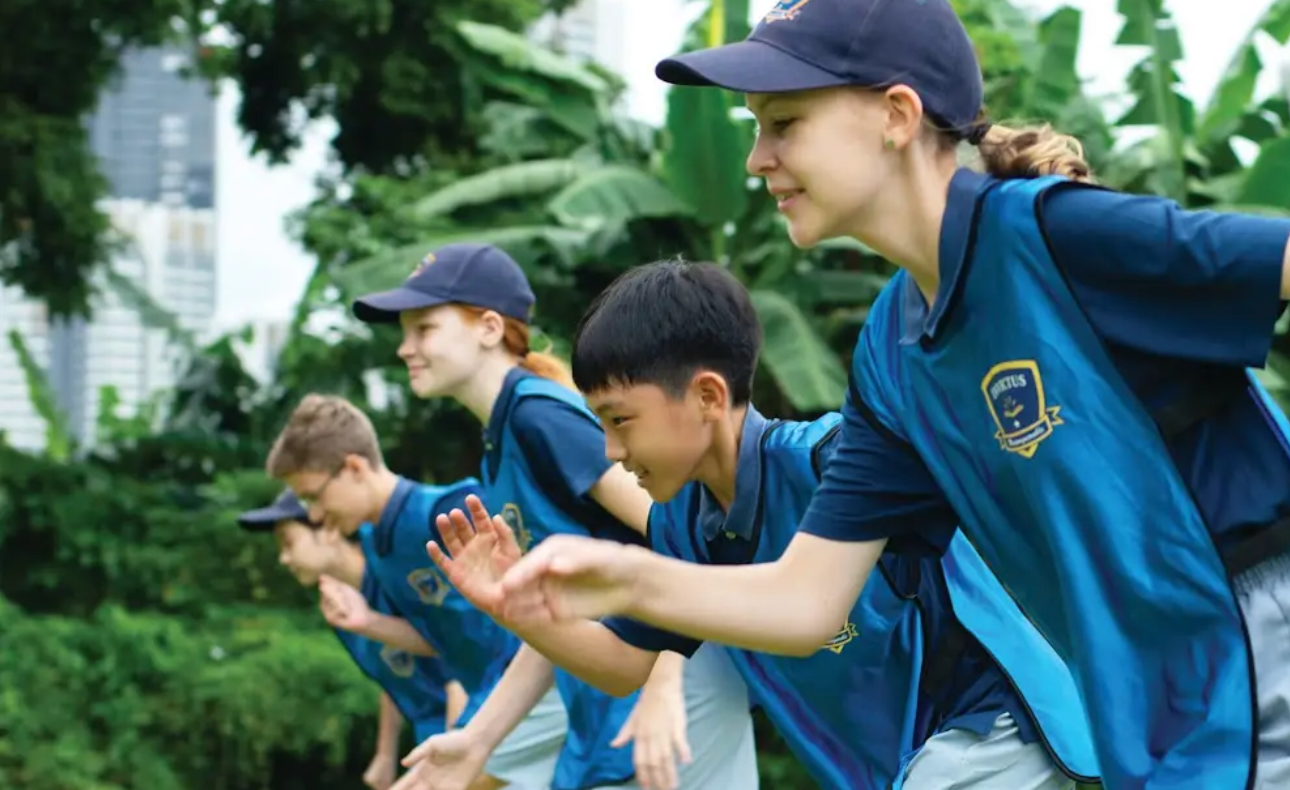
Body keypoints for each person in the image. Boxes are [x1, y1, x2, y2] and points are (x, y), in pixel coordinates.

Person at [490, 0, 1290, 790]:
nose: (755, 159)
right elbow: (804, 604)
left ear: (897, 113)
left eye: (784, 122)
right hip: (1172, 694)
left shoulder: (1054, 238)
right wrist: (627, 571)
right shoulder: (893, 357)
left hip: (1289, 656)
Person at [425, 258, 1100, 789]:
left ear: (708, 397)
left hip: (991, 724)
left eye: (620, 420)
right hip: (911, 760)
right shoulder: (681, 524)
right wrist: (514, 608)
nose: (610, 451)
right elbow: (623, 665)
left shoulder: (837, 463)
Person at [350, 244, 759, 790]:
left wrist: (664, 685)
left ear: (489, 328)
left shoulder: (538, 417)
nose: (405, 348)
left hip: (677, 687)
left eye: (423, 329)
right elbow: (556, 618)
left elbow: (680, 533)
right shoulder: (503, 438)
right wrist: (478, 740)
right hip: (614, 699)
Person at [264, 394, 571, 790]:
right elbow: (437, 643)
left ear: (354, 468)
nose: (316, 515)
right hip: (494, 701)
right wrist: (367, 622)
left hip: (538, 682)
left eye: (314, 496)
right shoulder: (376, 545)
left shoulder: (447, 510)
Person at [236, 486, 467, 790]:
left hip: (475, 723)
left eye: (288, 541)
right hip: (433, 736)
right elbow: (395, 673)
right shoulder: (340, 606)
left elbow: (460, 659)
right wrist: (385, 754)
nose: (283, 558)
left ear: (329, 529)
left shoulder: (397, 573)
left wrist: (455, 765)